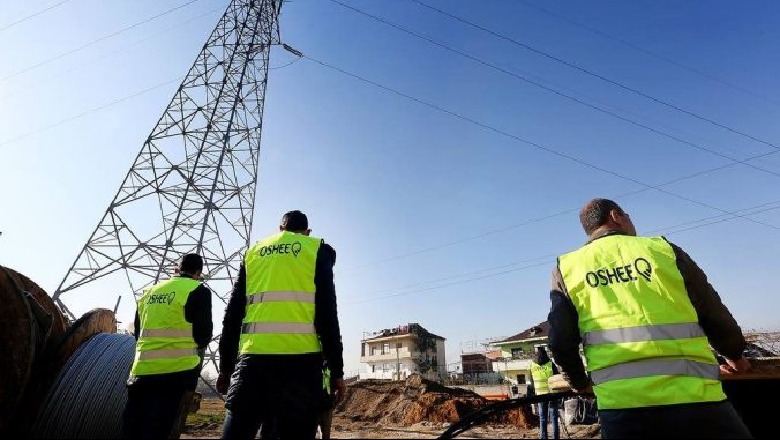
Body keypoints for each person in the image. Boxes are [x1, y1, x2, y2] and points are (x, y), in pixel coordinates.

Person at [546, 198, 753, 439]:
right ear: (616, 216)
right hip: (697, 397)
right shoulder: (663, 250)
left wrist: (580, 384)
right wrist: (735, 355)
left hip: (622, 408)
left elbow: (560, 340)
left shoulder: (568, 267)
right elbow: (712, 310)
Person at [217, 210, 345, 440]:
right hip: (301, 366)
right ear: (307, 232)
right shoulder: (316, 250)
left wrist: (226, 367)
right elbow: (327, 314)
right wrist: (336, 371)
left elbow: (233, 314)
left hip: (252, 363)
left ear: (280, 230)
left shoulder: (254, 252)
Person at [122, 253, 213, 439]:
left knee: (131, 429)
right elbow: (203, 336)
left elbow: (138, 333)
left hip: (142, 372)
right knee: (158, 430)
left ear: (176, 270)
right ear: (198, 273)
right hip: (177, 373)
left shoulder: (149, 292)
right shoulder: (198, 290)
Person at [529, 346, 559, 439]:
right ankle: (555, 437)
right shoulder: (550, 364)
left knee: (542, 417)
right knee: (553, 417)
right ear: (545, 353)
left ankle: (543, 437)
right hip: (552, 394)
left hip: (540, 395)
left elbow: (531, 381)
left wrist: (536, 391)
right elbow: (557, 377)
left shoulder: (532, 365)